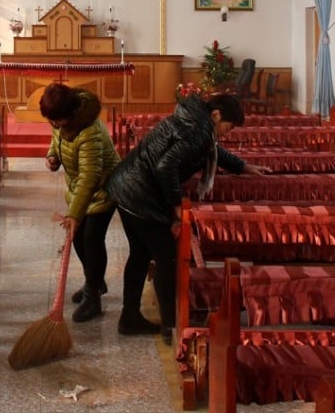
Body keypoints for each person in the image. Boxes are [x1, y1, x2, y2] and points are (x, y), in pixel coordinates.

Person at [103, 93, 270, 342]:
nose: (228, 132)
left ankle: (130, 318)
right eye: (229, 126)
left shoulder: (195, 121)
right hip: (139, 195)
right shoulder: (198, 131)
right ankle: (172, 326)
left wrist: (242, 166)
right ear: (216, 116)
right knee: (167, 258)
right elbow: (165, 167)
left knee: (140, 255)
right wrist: (177, 203)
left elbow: (211, 151)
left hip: (125, 187)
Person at [39, 83, 120, 323]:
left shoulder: (90, 132)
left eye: (58, 121)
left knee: (91, 240)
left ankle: (93, 296)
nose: (54, 125)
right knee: (79, 241)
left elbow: (90, 177)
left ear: (72, 114)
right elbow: (57, 138)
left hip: (103, 189)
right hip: (81, 191)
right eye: (51, 121)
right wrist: (52, 156)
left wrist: (74, 214)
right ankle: (95, 281)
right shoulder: (61, 120)